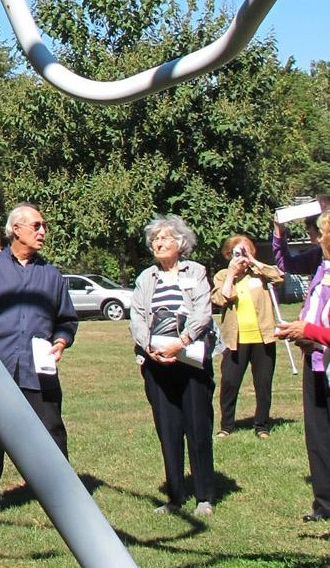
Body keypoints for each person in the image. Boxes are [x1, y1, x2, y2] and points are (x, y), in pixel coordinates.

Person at [0, 202, 78, 512]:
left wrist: (61, 340)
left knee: (52, 430)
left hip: (38, 369)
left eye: (43, 227)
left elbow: (66, 319)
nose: (43, 232)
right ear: (16, 229)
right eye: (36, 226)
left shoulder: (52, 275)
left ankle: (65, 499)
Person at [129, 215, 216, 516]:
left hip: (190, 359)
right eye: (155, 239)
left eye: (164, 238)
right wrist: (149, 346)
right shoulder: (145, 278)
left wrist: (182, 341)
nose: (159, 243)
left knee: (197, 426)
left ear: (180, 243)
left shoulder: (197, 272)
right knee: (168, 429)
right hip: (156, 361)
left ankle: (204, 495)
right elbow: (137, 317)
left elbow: (203, 312)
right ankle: (175, 497)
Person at [272, 209, 330, 523]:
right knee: (318, 434)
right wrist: (303, 330)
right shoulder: (321, 266)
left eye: (319, 233)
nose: (315, 239)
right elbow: (287, 264)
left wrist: (307, 331)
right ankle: (324, 504)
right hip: (317, 360)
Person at [211, 234, 284, 439]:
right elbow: (221, 298)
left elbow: (279, 276)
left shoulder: (259, 274)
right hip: (236, 339)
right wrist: (232, 274)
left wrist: (253, 262)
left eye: (246, 250)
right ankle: (226, 425)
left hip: (263, 337)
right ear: (229, 254)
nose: (242, 255)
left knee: (263, 384)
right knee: (230, 383)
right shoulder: (223, 275)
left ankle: (261, 425)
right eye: (238, 252)